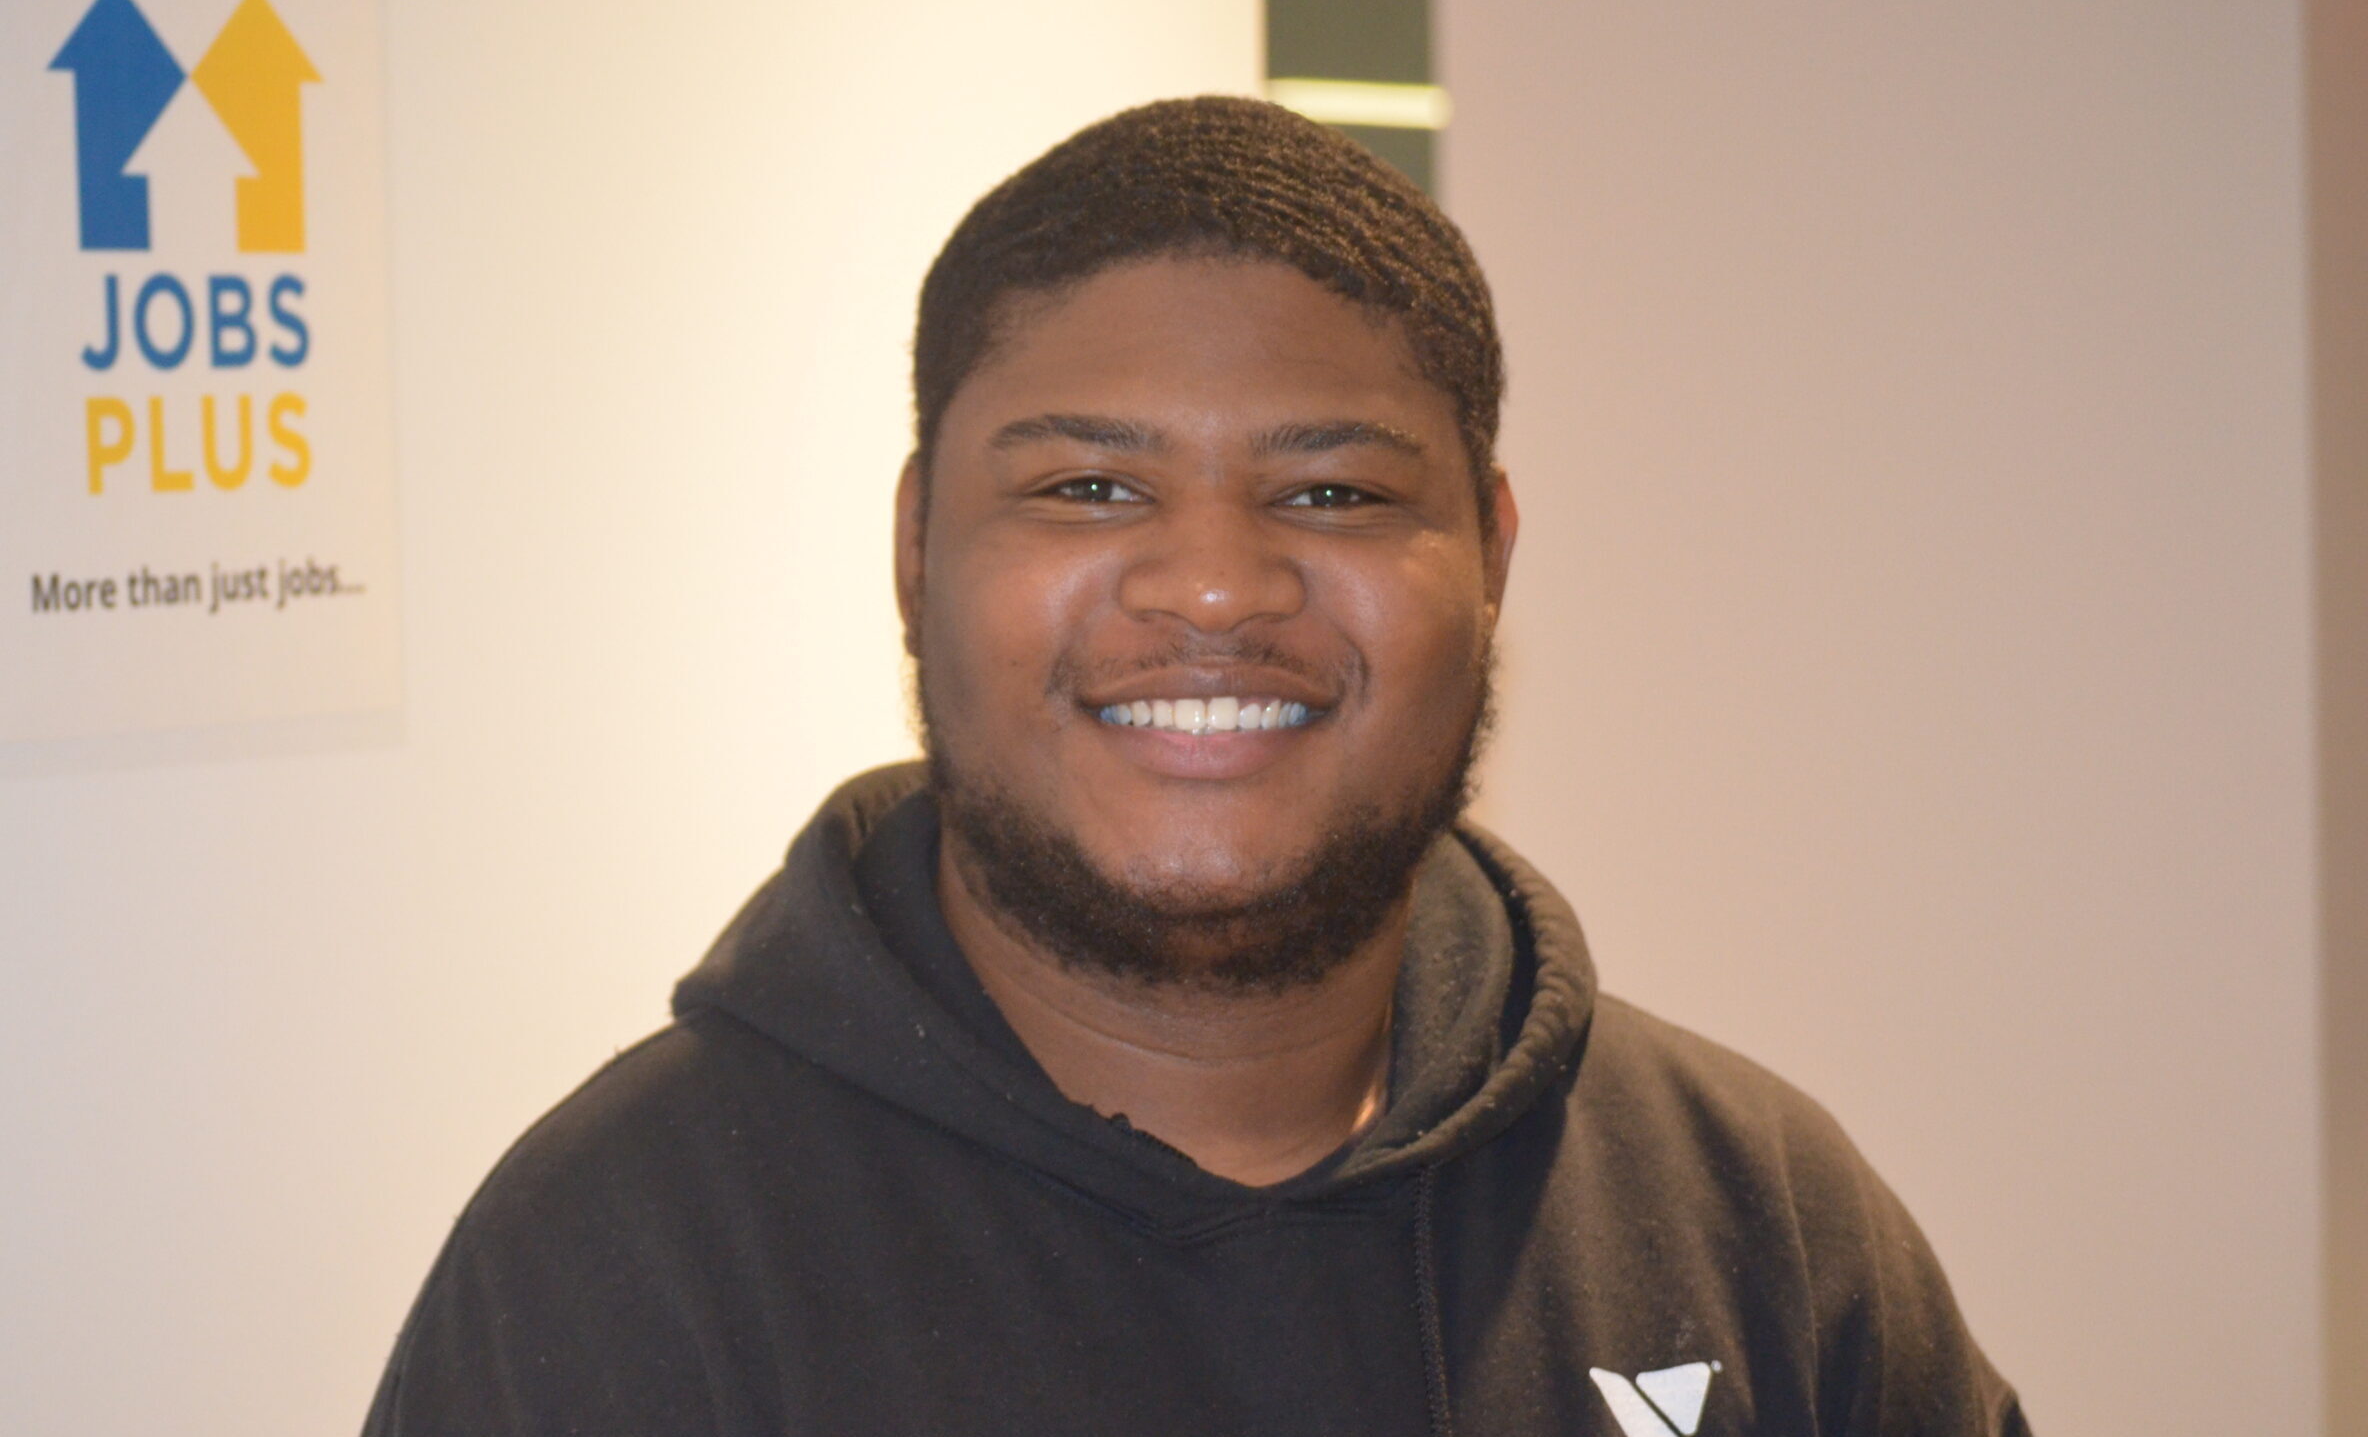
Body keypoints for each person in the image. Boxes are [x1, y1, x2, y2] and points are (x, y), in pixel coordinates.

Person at [363, 96, 2030, 1437]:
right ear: (914, 548)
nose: (1217, 586)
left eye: (1335, 493)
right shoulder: (620, 1269)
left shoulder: (1750, 1218)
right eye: (1089, 489)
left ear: (1493, 554)